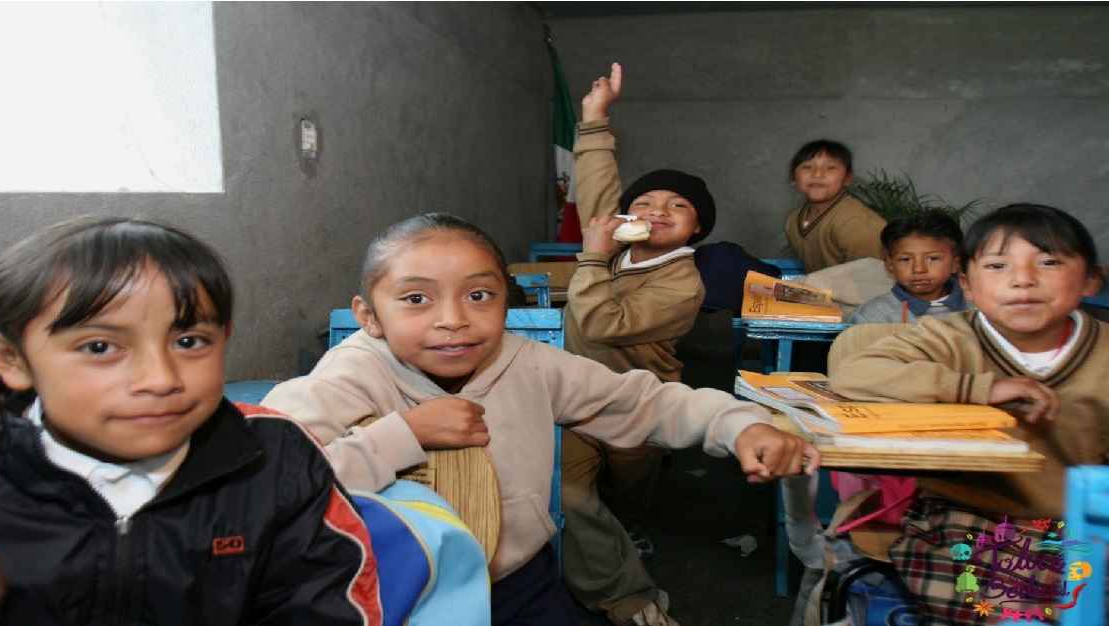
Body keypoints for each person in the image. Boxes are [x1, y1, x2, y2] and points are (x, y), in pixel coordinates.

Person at [260, 212, 822, 626]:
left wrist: (737, 424)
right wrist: (402, 436)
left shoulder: (530, 364)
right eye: (416, 299)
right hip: (395, 596)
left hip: (518, 581)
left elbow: (643, 402)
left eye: (479, 295)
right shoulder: (349, 375)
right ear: (370, 315)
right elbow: (274, 486)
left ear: (509, 301)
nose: (453, 320)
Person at [0, 217, 381, 626]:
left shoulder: (274, 457)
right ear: (11, 358)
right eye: (100, 348)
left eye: (190, 341)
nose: (159, 379)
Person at [829, 204, 1108, 625]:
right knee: (992, 607)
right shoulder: (951, 336)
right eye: (997, 265)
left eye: (1049, 261)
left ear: (1091, 279)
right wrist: (978, 388)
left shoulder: (1104, 352)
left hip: (1083, 520)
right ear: (968, 285)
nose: (1023, 279)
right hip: (965, 514)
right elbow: (854, 372)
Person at [562, 61, 712, 626]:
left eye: (677, 207)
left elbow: (602, 323)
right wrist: (595, 118)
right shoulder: (617, 246)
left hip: (635, 401)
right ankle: (625, 593)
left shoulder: (682, 283)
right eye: (646, 203)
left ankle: (633, 515)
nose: (656, 212)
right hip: (574, 398)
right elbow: (599, 187)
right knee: (574, 497)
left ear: (697, 227)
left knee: (630, 496)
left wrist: (592, 255)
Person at [849, 209, 971, 324]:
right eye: (905, 259)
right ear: (890, 265)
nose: (918, 269)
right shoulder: (872, 316)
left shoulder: (978, 309)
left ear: (956, 263)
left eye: (932, 258)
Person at [782, 139, 886, 274]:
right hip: (823, 293)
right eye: (808, 167)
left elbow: (871, 281)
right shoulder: (793, 220)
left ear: (848, 177)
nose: (817, 174)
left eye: (830, 167)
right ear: (792, 176)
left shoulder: (856, 221)